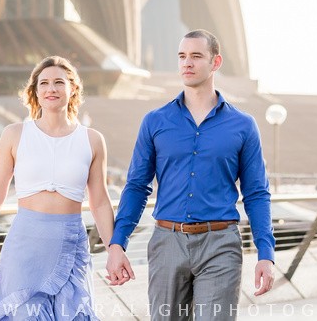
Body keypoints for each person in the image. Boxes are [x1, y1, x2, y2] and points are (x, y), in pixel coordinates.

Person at [107, 29, 275, 320]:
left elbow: (257, 193)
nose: (187, 63)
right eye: (182, 56)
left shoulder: (243, 126)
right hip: (166, 242)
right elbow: (136, 186)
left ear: (216, 62)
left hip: (220, 245)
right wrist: (117, 243)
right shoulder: (155, 121)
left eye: (196, 56)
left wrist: (266, 253)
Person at [0, 56, 130, 320]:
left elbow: (99, 202)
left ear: (73, 88)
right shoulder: (14, 134)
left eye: (58, 82)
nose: (50, 89)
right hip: (24, 246)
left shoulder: (92, 140)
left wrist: (115, 249)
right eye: (43, 83)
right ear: (35, 91)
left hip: (70, 243)